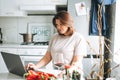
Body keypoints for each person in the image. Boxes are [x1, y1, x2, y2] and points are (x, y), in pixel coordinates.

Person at [26, 11, 87, 79]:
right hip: (57, 74)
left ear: (68, 23)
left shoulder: (78, 38)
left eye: (61, 24)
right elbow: (47, 57)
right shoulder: (54, 37)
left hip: (73, 75)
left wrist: (66, 72)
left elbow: (76, 62)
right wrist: (35, 66)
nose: (58, 27)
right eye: (57, 25)